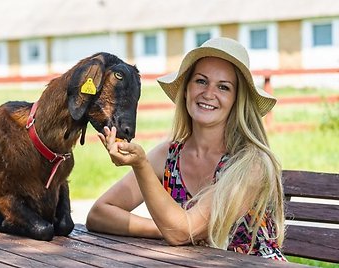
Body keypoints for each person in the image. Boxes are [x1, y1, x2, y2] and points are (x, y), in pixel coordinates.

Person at [86, 37, 287, 261]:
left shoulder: (250, 164)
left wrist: (141, 165)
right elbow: (100, 213)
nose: (209, 93)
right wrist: (161, 227)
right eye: (201, 81)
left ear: (236, 100)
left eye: (223, 87)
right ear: (186, 90)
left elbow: (183, 231)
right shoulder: (169, 156)